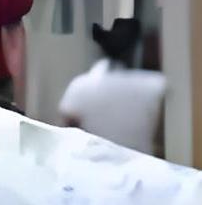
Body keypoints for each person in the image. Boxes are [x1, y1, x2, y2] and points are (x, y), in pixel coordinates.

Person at [59, 18, 165, 155]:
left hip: (93, 165)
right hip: (139, 168)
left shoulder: (80, 85)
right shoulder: (155, 85)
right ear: (137, 49)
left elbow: (68, 129)